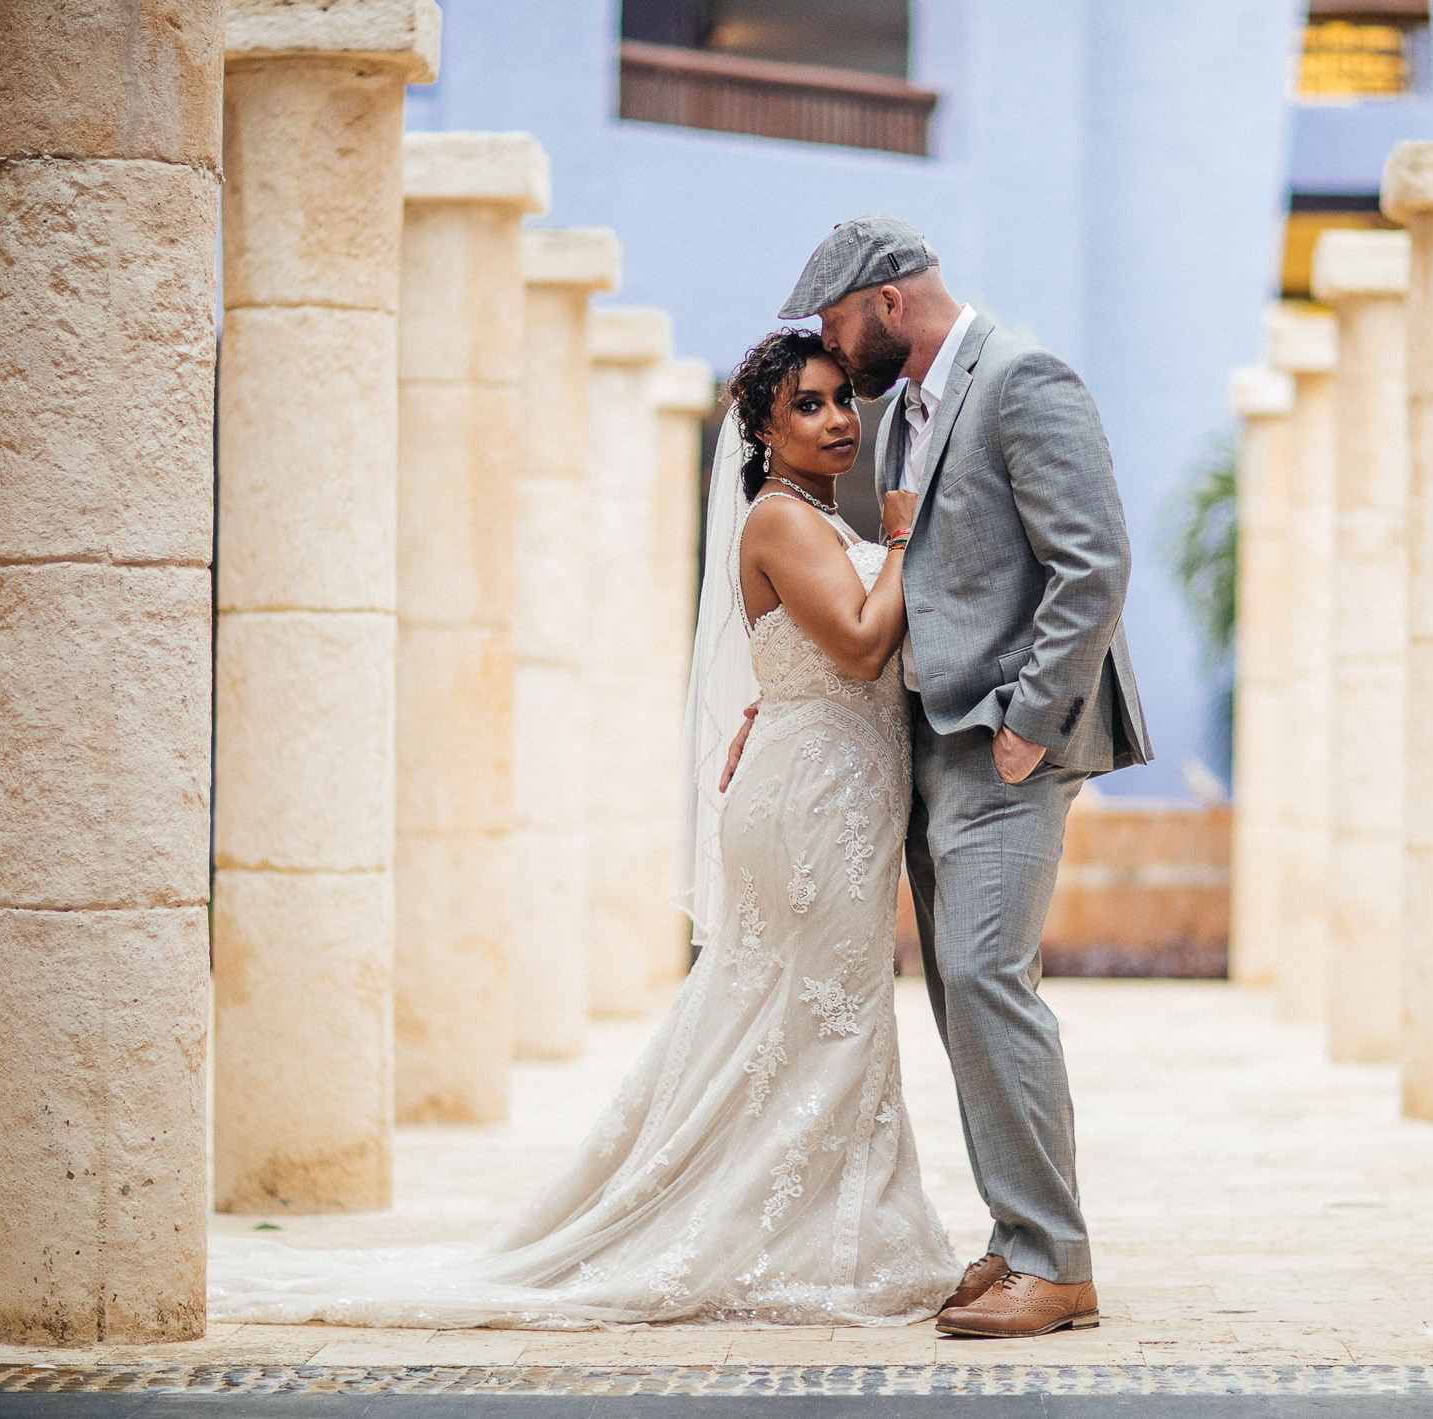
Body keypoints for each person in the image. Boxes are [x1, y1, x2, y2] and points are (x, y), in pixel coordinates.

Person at [208, 334, 960, 1329]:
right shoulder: (782, 520)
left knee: (806, 1022)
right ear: (764, 430)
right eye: (810, 407)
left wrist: (777, 695)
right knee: (824, 1020)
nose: (838, 422)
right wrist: (907, 540)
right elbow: (863, 647)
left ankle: (827, 1233)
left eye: (840, 403)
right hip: (811, 814)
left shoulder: (814, 518)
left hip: (835, 799)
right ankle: (816, 1245)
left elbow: (807, 657)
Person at [726, 216, 1152, 1339]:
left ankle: (1055, 1262)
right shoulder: (910, 412)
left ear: (889, 302)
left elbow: (1093, 561)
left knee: (987, 977)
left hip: (1003, 742)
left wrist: (1032, 717)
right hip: (925, 744)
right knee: (962, 993)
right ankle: (1021, 1240)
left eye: (835, 324)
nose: (831, 349)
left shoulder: (1022, 377)